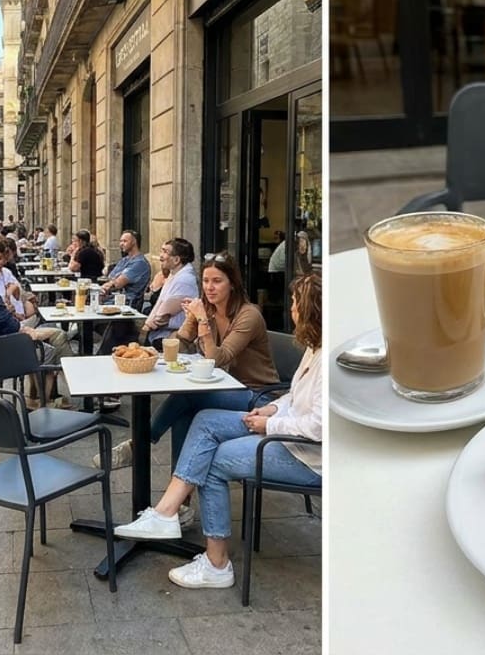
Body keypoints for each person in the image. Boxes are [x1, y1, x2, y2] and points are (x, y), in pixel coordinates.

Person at [113, 274, 322, 589]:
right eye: (206, 280)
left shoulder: (258, 320)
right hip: (280, 422)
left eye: (295, 304)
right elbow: (296, 395)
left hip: (306, 454)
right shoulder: (314, 347)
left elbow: (319, 426)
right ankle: (167, 512)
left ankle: (216, 563)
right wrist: (274, 410)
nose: (291, 309)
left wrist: (270, 423)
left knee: (213, 459)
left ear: (309, 311)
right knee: (205, 419)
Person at [101, 252, 278, 472]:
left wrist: (202, 319)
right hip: (223, 385)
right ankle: (180, 501)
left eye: (217, 281)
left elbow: (218, 358)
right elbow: (180, 344)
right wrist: (190, 321)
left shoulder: (248, 315)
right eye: (205, 281)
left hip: (257, 396)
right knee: (183, 411)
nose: (210, 287)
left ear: (232, 284)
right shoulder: (208, 309)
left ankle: (141, 444)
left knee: (188, 396)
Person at [0, 257, 72, 400]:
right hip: (1, 354)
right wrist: (15, 318)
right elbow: (13, 327)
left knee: (55, 336)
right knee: (48, 350)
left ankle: (37, 396)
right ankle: (46, 399)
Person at [94, 230, 153, 355]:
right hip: (112, 301)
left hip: (126, 306)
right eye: (121, 241)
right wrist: (112, 283)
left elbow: (117, 282)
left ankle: (101, 353)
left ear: (134, 242)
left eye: (125, 241)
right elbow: (111, 277)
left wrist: (110, 285)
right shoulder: (125, 260)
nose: (121, 244)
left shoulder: (140, 263)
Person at [141, 238, 199, 345]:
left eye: (165, 252)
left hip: (171, 338)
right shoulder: (174, 274)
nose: (160, 256)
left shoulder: (184, 279)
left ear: (176, 260)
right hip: (163, 334)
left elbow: (161, 315)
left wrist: (147, 326)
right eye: (161, 251)